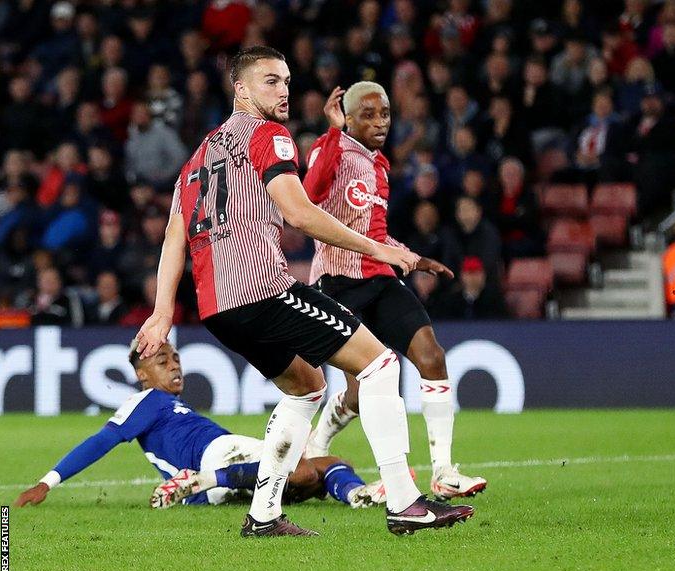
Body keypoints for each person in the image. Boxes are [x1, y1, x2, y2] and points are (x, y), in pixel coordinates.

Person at [133, 47, 472, 537]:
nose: (284, 90)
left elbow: (174, 234)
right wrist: (380, 249)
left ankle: (264, 515)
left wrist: (164, 309)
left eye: (287, 80)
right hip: (261, 288)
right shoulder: (269, 135)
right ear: (242, 90)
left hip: (217, 308)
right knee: (380, 365)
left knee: (307, 386)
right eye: (271, 81)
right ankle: (405, 502)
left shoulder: (197, 157)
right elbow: (300, 212)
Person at [302, 81, 488, 500]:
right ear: (346, 117)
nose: (380, 121)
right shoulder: (328, 150)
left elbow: (377, 234)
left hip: (381, 280)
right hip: (337, 285)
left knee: (431, 356)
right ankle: (319, 448)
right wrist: (332, 133)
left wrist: (416, 259)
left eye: (384, 113)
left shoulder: (381, 165)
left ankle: (443, 471)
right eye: (367, 114)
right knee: (359, 389)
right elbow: (308, 196)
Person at [13, 341, 383, 511]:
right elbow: (102, 440)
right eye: (162, 361)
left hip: (216, 475)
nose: (174, 365)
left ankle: (356, 496)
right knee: (304, 472)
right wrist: (49, 481)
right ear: (142, 375)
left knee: (329, 469)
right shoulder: (147, 401)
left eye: (175, 357)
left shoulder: (172, 406)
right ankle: (205, 481)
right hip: (215, 457)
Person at [431, 256, 510, 320]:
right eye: (470, 273)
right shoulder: (450, 301)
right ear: (462, 276)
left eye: (477, 273)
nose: (473, 278)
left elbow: (503, 322)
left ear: (483, 275)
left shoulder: (494, 300)